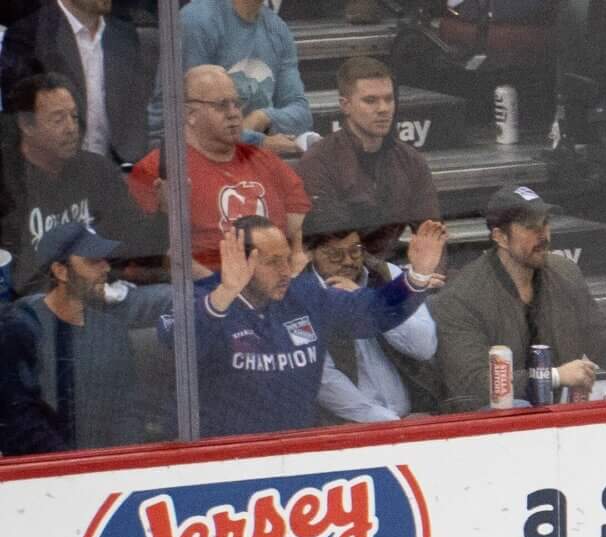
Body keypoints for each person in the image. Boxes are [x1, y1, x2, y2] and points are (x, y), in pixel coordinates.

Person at [173, 212, 443, 439]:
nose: (284, 271)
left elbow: (373, 311)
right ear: (239, 263)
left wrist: (416, 277)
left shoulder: (306, 295)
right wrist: (226, 292)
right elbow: (180, 342)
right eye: (272, 262)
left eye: (287, 259)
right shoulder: (203, 298)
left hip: (299, 448)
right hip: (225, 454)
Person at [436, 186, 606, 409]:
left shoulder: (565, 272)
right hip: (492, 421)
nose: (543, 234)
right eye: (530, 226)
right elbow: (472, 384)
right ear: (500, 237)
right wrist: (553, 376)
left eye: (545, 223)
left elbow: (602, 336)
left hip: (559, 408)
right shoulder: (462, 296)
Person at [0, 216, 165, 453]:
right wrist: (72, 467)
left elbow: (128, 412)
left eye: (104, 260)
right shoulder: (20, 328)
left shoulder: (112, 331)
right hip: (43, 476)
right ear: (61, 271)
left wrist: (121, 462)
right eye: (93, 261)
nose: (106, 268)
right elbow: (20, 419)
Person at [131, 65, 313, 271]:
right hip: (208, 291)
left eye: (236, 103)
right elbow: (159, 256)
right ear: (189, 113)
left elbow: (298, 230)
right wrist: (221, 292)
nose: (234, 113)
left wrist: (296, 263)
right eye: (222, 105)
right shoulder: (156, 170)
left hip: (276, 282)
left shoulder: (265, 160)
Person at [305, 209, 441, 424]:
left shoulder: (386, 274)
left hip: (414, 413)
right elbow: (325, 381)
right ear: (309, 254)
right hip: (345, 427)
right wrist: (391, 423)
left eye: (355, 251)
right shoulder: (303, 294)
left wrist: (367, 301)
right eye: (335, 255)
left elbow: (423, 347)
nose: (348, 261)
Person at [292, 55, 438, 252]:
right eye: (371, 101)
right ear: (345, 105)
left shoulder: (411, 161)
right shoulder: (319, 162)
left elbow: (432, 236)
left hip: (392, 272)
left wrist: (429, 276)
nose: (383, 109)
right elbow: (329, 246)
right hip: (339, 272)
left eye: (389, 99)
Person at [1, 74, 153, 259]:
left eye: (74, 116)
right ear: (26, 125)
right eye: (58, 120)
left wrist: (165, 213)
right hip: (38, 287)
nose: (71, 128)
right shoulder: (7, 183)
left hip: (106, 280)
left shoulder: (96, 170)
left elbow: (133, 236)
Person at [0, 0, 150, 170]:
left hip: (115, 173)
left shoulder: (123, 35)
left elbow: (136, 112)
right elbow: (20, 119)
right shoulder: (29, 35)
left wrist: (131, 168)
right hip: (52, 174)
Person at [179, 0, 314, 160]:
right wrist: (258, 141)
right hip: (201, 158)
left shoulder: (278, 29)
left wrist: (262, 117)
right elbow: (192, 119)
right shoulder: (198, 20)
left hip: (255, 158)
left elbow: (302, 114)